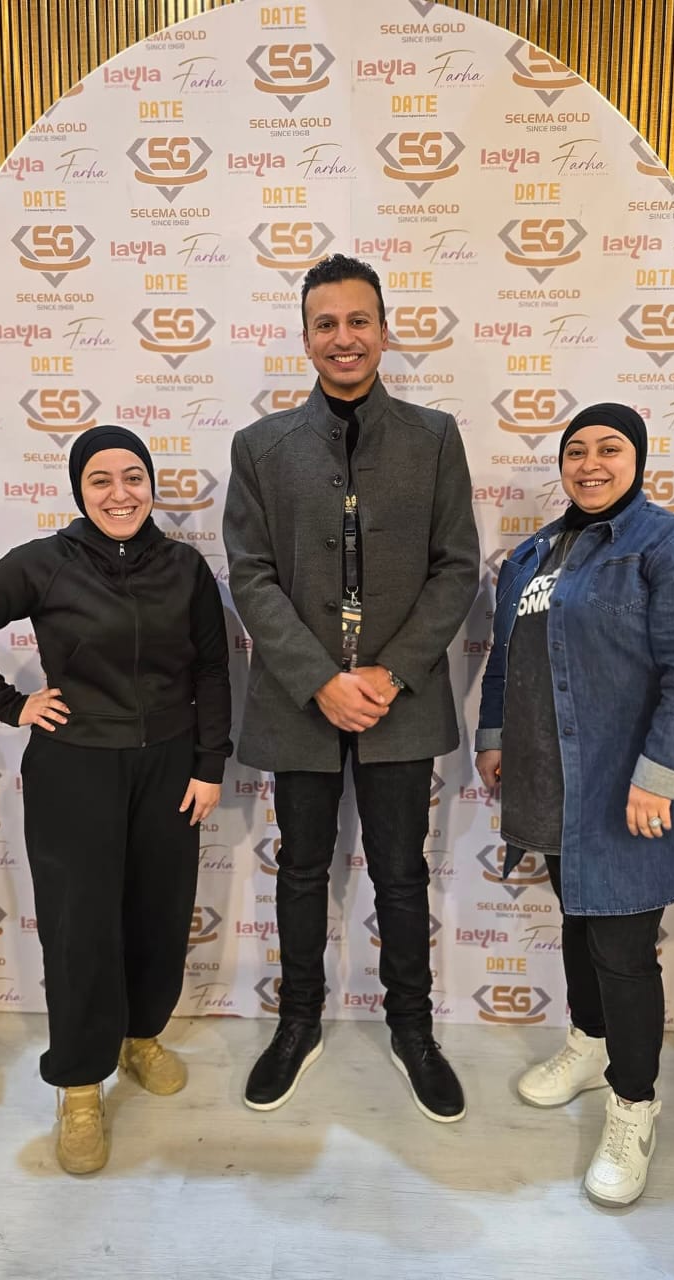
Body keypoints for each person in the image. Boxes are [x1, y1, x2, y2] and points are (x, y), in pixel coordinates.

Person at [224, 253, 479, 1122]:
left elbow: (457, 567)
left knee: (401, 875)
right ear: (305, 339)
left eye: (358, 320)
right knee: (300, 871)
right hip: (299, 706)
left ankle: (414, 1029)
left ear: (383, 330)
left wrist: (389, 672)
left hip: (401, 706)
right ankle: (297, 1022)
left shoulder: (435, 437)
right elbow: (251, 575)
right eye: (326, 324)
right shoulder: (260, 447)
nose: (344, 337)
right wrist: (318, 680)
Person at [475, 402, 674, 1206]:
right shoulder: (534, 554)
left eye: (609, 448)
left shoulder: (671, 547)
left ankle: (633, 1107)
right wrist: (495, 736)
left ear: (638, 460)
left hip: (626, 787)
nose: (590, 464)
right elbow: (506, 660)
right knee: (577, 919)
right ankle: (588, 1041)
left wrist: (662, 776)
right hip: (551, 782)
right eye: (576, 451)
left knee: (622, 950)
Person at [0, 425, 232, 1174]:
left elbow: (213, 671)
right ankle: (79, 1084)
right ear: (79, 490)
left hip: (170, 769)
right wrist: (12, 705)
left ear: (150, 486)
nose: (120, 493)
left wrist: (208, 765)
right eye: (101, 479)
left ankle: (140, 1037)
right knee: (81, 928)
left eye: (134, 477)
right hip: (75, 770)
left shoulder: (185, 567)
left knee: (159, 912)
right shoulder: (42, 563)